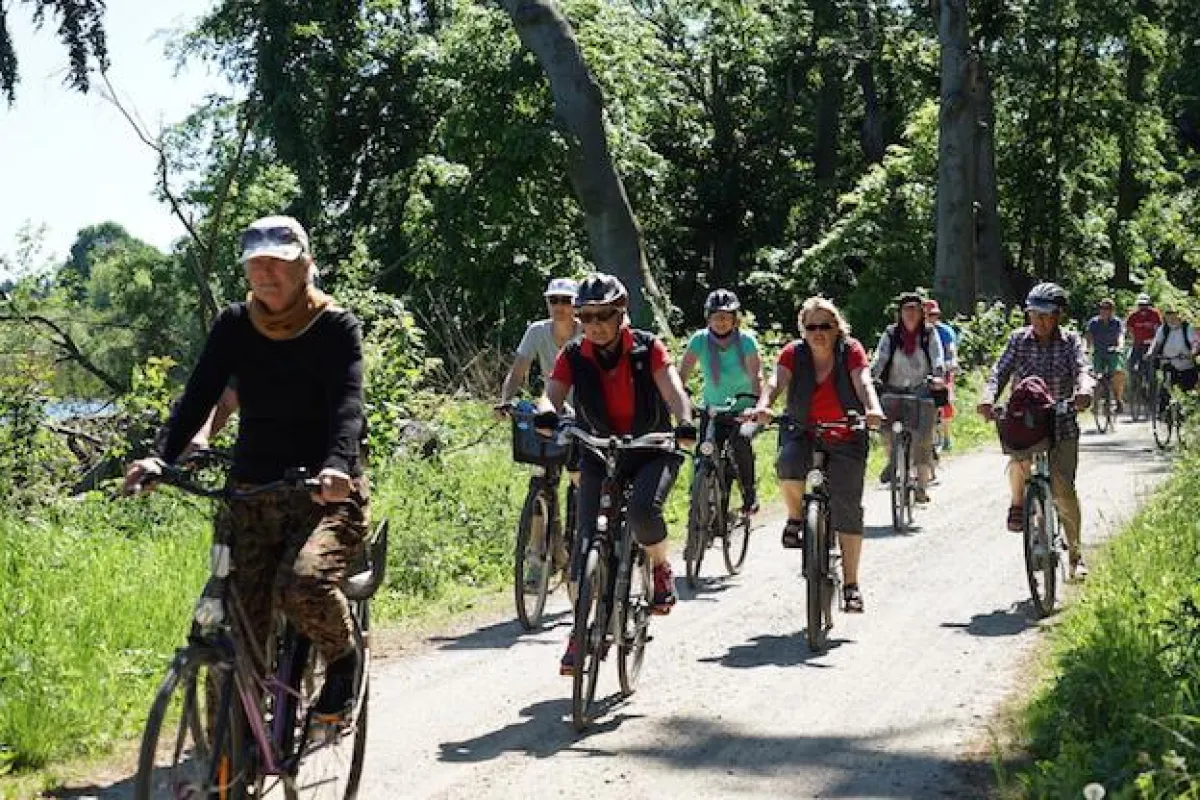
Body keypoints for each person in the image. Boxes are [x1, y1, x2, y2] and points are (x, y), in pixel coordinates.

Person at [124, 215, 369, 723]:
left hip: (324, 493)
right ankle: (230, 752)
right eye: (255, 264)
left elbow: (348, 406)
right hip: (252, 493)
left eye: (277, 263)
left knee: (304, 585)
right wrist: (160, 457)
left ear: (304, 266)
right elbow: (199, 396)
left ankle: (344, 663)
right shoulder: (235, 325)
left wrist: (337, 467)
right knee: (235, 626)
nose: (264, 274)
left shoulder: (335, 327)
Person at [538, 273, 696, 675]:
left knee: (643, 511)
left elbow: (673, 389)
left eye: (604, 315)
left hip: (650, 448)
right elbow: (552, 393)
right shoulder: (574, 354)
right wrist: (546, 413)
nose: (595, 325)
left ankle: (659, 567)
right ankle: (581, 631)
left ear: (621, 313)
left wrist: (684, 421)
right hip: (598, 450)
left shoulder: (647, 347)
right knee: (585, 544)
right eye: (586, 316)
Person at [748, 297, 883, 613]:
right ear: (803, 330)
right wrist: (764, 405)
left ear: (837, 328)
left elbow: (863, 381)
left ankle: (851, 585)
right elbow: (775, 381)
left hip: (847, 433)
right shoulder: (793, 353)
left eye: (825, 325)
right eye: (811, 327)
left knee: (848, 508)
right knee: (788, 464)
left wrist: (872, 409)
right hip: (803, 429)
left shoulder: (850, 350)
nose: (818, 332)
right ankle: (796, 517)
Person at [977, 282, 1093, 580]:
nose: (1039, 321)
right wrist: (988, 397)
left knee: (1063, 487)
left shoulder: (1070, 342)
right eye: (1034, 314)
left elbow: (1083, 369)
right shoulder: (1019, 340)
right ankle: (1019, 503)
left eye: (1046, 315)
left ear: (1058, 315)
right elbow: (999, 371)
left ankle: (1076, 556)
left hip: (1061, 420)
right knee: (1018, 460)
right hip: (1026, 421)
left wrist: (1084, 390)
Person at [678, 288, 764, 515]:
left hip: (743, 410)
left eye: (726, 317)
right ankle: (700, 503)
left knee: (740, 440)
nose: (721, 322)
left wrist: (756, 406)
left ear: (735, 319)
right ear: (708, 318)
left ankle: (749, 494)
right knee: (703, 454)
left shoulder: (746, 341)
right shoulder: (700, 340)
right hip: (713, 409)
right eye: (716, 317)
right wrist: (681, 398)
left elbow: (756, 376)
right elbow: (681, 374)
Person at [871, 292, 946, 504]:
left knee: (923, 439)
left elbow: (937, 358)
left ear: (922, 313)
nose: (911, 313)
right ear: (900, 313)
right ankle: (893, 461)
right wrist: (871, 376)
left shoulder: (929, 334)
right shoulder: (891, 334)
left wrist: (938, 377)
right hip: (893, 389)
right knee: (885, 429)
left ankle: (921, 487)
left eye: (915, 309)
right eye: (906, 309)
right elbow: (880, 357)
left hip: (922, 390)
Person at [498, 277, 583, 408]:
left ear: (576, 304)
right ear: (547, 303)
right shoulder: (537, 331)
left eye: (566, 300)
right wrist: (505, 402)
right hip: (552, 408)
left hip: (586, 409)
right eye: (553, 300)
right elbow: (516, 374)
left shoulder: (587, 332)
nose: (559, 306)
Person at [1146, 305, 1200, 407]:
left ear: (1178, 315)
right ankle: (1163, 410)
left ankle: (1186, 410)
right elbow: (1156, 343)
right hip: (1168, 363)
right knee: (1165, 388)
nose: (1170, 317)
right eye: (1167, 315)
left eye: (1172, 314)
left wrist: (1192, 353)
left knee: (1188, 390)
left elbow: (1195, 343)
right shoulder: (1163, 329)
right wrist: (1150, 353)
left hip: (1186, 365)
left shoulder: (1187, 328)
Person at [923, 298, 958, 452]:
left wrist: (952, 362)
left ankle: (946, 437)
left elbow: (951, 350)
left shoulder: (945, 331)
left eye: (935, 315)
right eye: (929, 315)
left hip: (943, 370)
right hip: (923, 371)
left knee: (945, 402)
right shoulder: (918, 332)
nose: (933, 318)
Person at [1084, 298, 1126, 412]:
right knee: (1095, 376)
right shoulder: (1094, 322)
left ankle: (1118, 400)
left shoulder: (1117, 322)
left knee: (1118, 374)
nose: (1104, 311)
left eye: (1107, 308)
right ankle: (1095, 402)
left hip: (1113, 352)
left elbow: (1120, 335)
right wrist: (1087, 348)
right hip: (1099, 352)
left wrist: (1120, 346)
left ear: (1112, 310)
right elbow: (1088, 336)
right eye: (1102, 308)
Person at [1125, 293, 1162, 412]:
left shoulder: (1154, 314)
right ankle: (1135, 387)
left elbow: (1159, 329)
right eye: (1141, 305)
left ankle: (1152, 396)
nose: (1143, 307)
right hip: (1137, 344)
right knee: (1130, 362)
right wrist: (1132, 338)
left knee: (1150, 372)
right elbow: (1129, 329)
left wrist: (1155, 342)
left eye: (1145, 305)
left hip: (1150, 345)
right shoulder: (1133, 316)